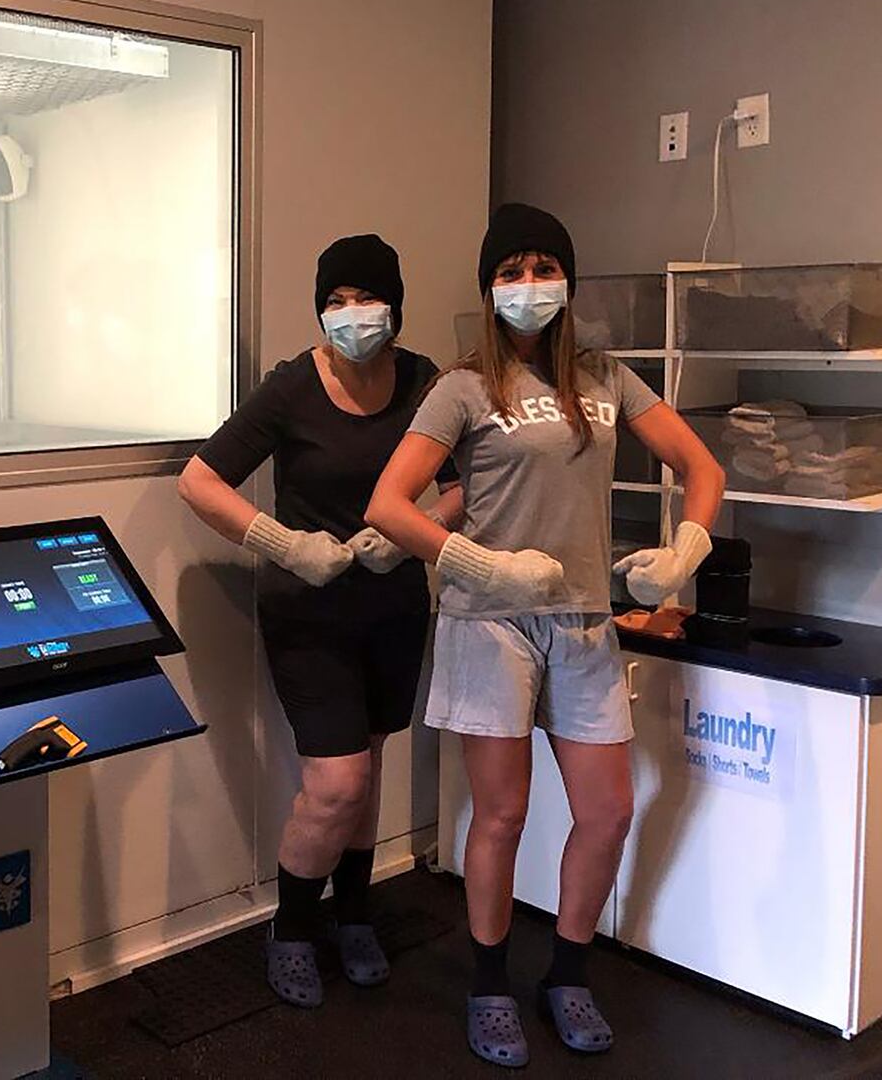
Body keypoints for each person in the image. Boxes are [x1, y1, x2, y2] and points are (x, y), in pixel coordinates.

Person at [365, 204, 725, 1067]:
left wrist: (685, 551)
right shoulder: (461, 387)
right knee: (503, 813)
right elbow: (387, 506)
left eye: (542, 268)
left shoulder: (605, 379)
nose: (528, 285)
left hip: (585, 621)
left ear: (568, 280)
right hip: (489, 624)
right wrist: (481, 567)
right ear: (490, 288)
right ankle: (489, 986)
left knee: (607, 810)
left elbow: (703, 467)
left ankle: (566, 973)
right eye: (511, 271)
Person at [178, 234, 464, 1008]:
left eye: (365, 299)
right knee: (336, 785)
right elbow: (201, 482)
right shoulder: (291, 389)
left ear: (394, 309)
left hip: (395, 605)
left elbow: (464, 483)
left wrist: (405, 533)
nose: (351, 315)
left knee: (367, 769)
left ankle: (358, 915)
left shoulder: (425, 383)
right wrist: (284, 544)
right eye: (335, 302)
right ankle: (296, 927)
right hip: (310, 611)